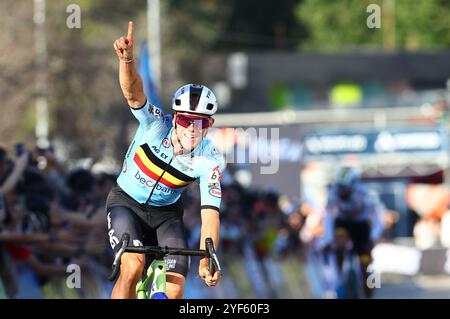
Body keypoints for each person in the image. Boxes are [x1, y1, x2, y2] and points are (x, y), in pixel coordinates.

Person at [108, 21, 224, 299]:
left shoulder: (209, 159)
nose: (191, 129)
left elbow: (210, 214)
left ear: (209, 125)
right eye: (185, 120)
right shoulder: (154, 125)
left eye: (200, 122)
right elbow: (133, 92)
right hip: (126, 204)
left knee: (174, 286)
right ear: (175, 117)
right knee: (132, 266)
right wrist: (127, 61)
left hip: (166, 217)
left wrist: (208, 257)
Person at [321, 166, 383, 298]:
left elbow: (378, 216)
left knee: (366, 265)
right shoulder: (333, 192)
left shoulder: (365, 194)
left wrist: (374, 236)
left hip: (361, 226)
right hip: (343, 223)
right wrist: (328, 238)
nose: (342, 192)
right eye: (340, 188)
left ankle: (369, 293)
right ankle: (339, 277)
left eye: (345, 189)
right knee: (338, 241)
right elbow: (328, 216)